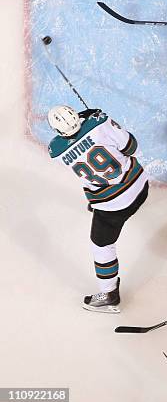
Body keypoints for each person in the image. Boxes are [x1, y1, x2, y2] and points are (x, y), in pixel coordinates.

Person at [48, 105, 148, 313]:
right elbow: (132, 148)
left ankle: (109, 294)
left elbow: (71, 142)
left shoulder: (56, 150)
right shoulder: (99, 123)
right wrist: (94, 118)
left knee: (101, 247)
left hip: (113, 206)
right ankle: (99, 201)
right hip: (140, 186)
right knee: (106, 201)